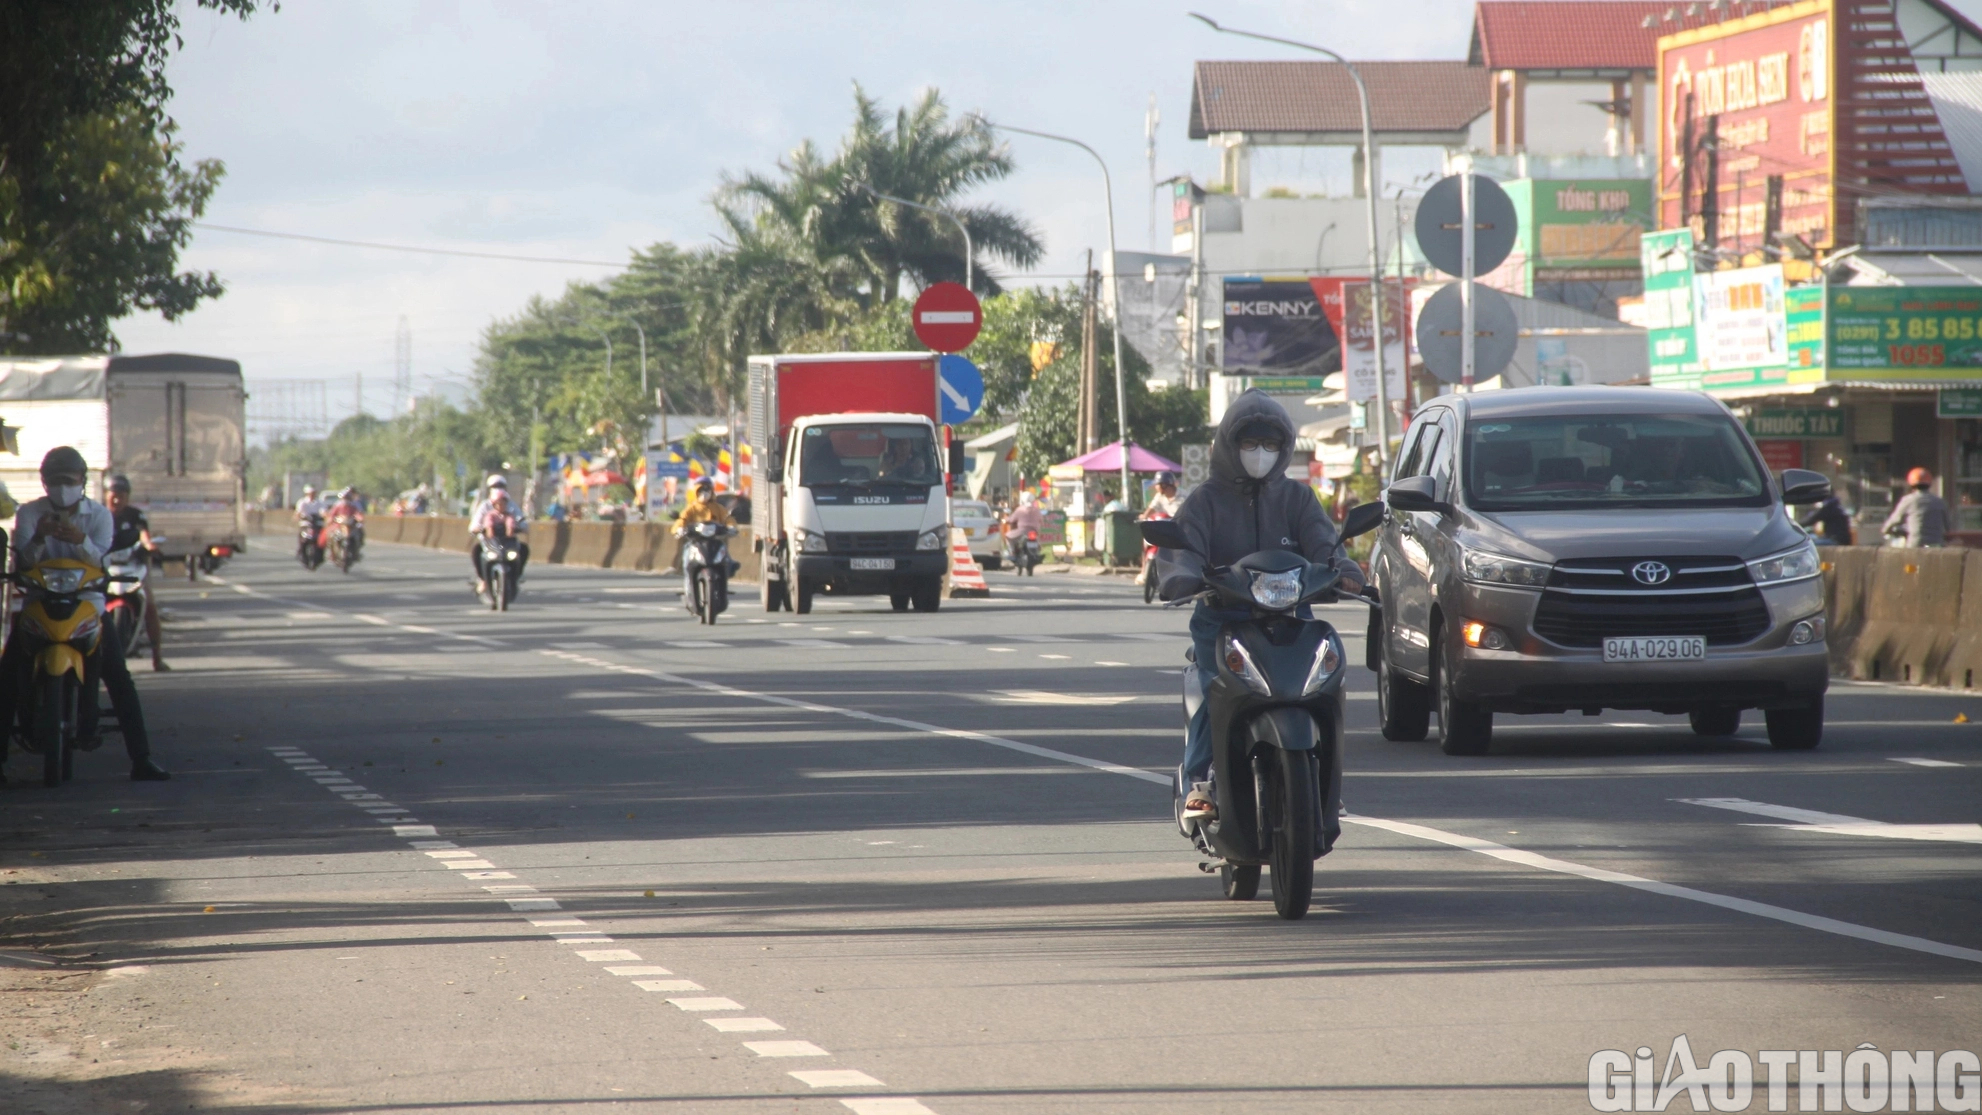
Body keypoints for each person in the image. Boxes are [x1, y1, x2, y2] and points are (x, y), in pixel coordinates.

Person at [1152, 390, 1363, 822]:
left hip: (1292, 621)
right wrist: (1181, 576)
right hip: (1223, 620)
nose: (1260, 453)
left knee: (1326, 684)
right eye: (1250, 444)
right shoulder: (1204, 501)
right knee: (1217, 688)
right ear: (1230, 446)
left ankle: (1324, 784)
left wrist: (1344, 570)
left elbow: (1324, 543)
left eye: (1270, 444)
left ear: (1284, 448)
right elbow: (1183, 550)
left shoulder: (1298, 499)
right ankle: (1201, 781)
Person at [0, 447, 167, 781]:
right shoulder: (31, 514)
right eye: (55, 480)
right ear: (45, 483)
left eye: (69, 480)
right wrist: (38, 538)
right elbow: (23, 563)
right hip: (39, 602)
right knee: (7, 677)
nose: (63, 487)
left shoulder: (100, 516)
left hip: (87, 603)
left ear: (82, 481)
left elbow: (100, 561)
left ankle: (141, 758)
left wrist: (80, 541)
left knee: (119, 676)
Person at [104, 475, 168, 671]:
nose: (116, 500)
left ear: (127, 497)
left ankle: (157, 657)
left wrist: (150, 545)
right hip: (104, 569)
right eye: (113, 495)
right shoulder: (98, 516)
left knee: (149, 605)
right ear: (106, 495)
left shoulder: (136, 516)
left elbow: (144, 535)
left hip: (134, 567)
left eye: (121, 496)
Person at [469, 475, 529, 589]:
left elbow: (521, 520)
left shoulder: (511, 506)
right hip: (489, 542)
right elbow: (474, 525)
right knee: (476, 550)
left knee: (524, 549)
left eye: (500, 486)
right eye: (494, 486)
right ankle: (482, 579)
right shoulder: (484, 507)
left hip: (508, 541)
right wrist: (480, 529)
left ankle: (517, 576)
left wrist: (521, 527)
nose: (501, 505)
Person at [1884, 467, 1956, 548]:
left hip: (1916, 544)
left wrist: (1885, 530)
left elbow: (1895, 519)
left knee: (1909, 560)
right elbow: (1949, 527)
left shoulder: (1908, 500)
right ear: (1929, 484)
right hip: (1936, 544)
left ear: (1911, 484)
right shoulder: (1940, 502)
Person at [1003, 491, 1045, 564]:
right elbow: (1041, 521)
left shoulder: (1020, 509)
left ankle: (1012, 552)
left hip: (1022, 532)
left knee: (1008, 536)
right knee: (1038, 542)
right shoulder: (1036, 510)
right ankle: (1037, 553)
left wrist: (1006, 519)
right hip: (1034, 532)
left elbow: (1011, 519)